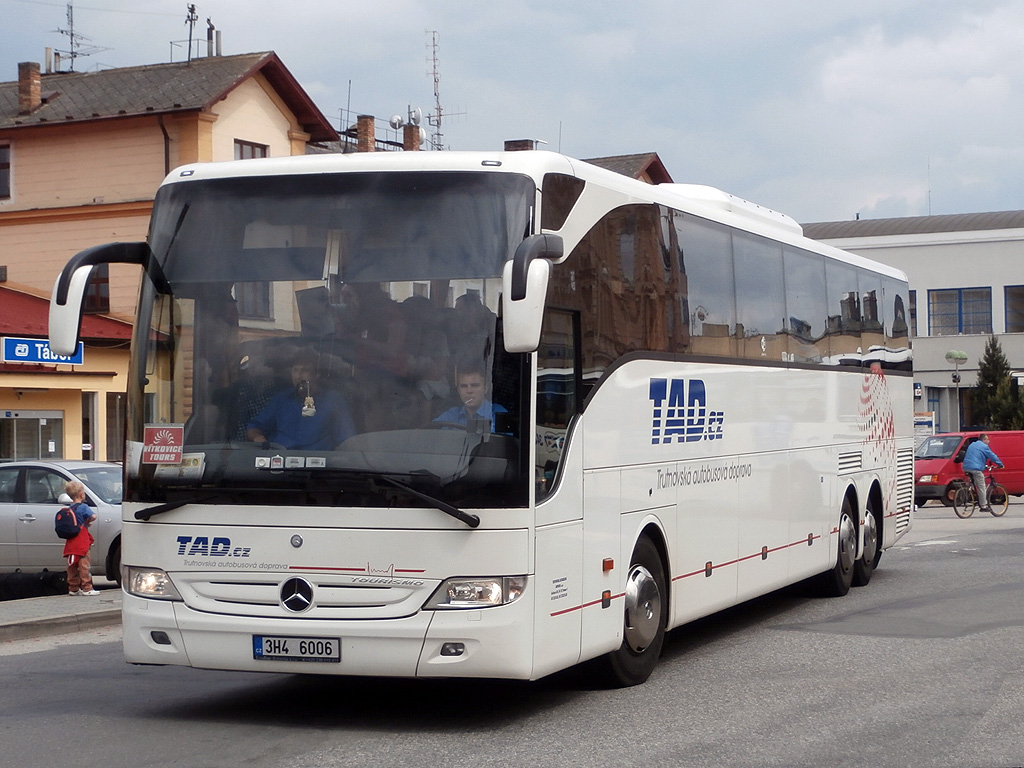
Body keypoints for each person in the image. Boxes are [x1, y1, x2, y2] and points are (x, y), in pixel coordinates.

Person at [246, 349, 356, 450]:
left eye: (304, 370)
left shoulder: (334, 400)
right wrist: (259, 439)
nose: (298, 376)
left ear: (316, 374)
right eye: (295, 370)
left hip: (319, 466)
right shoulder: (280, 399)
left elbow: (347, 440)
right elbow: (253, 428)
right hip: (281, 463)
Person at [434, 361, 507, 432]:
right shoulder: (451, 415)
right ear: (458, 390)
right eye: (464, 386)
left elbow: (505, 442)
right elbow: (429, 434)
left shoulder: (497, 414)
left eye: (475, 385)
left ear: (485, 388)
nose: (469, 391)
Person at [63, 481, 99, 596]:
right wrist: (87, 521)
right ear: (81, 494)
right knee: (84, 565)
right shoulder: (83, 507)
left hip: (71, 541)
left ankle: (73, 588)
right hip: (82, 541)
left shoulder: (69, 509)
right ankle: (87, 587)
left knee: (72, 565)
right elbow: (93, 516)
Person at [963, 433, 1004, 512]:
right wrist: (1000, 464)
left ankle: (971, 491)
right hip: (975, 468)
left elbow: (975, 457)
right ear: (984, 440)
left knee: (975, 482)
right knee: (982, 486)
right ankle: (983, 506)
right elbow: (992, 456)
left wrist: (983, 465)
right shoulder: (984, 447)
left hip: (966, 467)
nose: (989, 441)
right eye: (987, 439)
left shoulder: (972, 445)